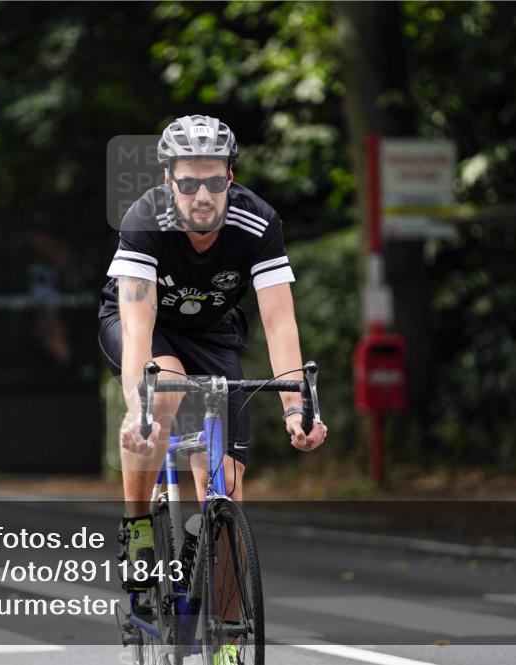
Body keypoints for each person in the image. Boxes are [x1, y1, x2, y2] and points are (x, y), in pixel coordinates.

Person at [98, 115, 328, 664]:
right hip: (144, 327)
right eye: (188, 182)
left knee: (225, 487)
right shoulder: (144, 218)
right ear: (167, 179)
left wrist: (297, 407)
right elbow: (136, 321)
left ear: (231, 175)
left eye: (215, 182)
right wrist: (138, 407)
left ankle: (225, 641)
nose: (202, 195)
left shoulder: (259, 221)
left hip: (216, 335)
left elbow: (279, 323)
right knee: (167, 388)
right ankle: (138, 533)